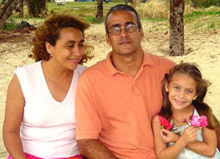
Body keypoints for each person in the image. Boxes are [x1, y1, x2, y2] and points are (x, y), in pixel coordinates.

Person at [75, 4, 175, 159]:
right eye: (115, 29)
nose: (123, 34)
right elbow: (86, 141)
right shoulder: (90, 80)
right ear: (108, 39)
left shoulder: (169, 70)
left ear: (141, 33)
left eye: (130, 26)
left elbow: (200, 114)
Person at [3, 14, 91, 159]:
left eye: (80, 44)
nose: (78, 52)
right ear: (49, 47)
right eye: (70, 46)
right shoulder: (24, 78)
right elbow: (10, 131)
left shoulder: (87, 77)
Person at [152, 63, 220, 159]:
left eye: (188, 91)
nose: (181, 95)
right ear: (167, 86)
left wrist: (177, 138)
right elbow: (162, 156)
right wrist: (182, 141)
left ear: (196, 94)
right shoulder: (160, 120)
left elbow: (210, 151)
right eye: (177, 88)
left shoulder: (202, 114)